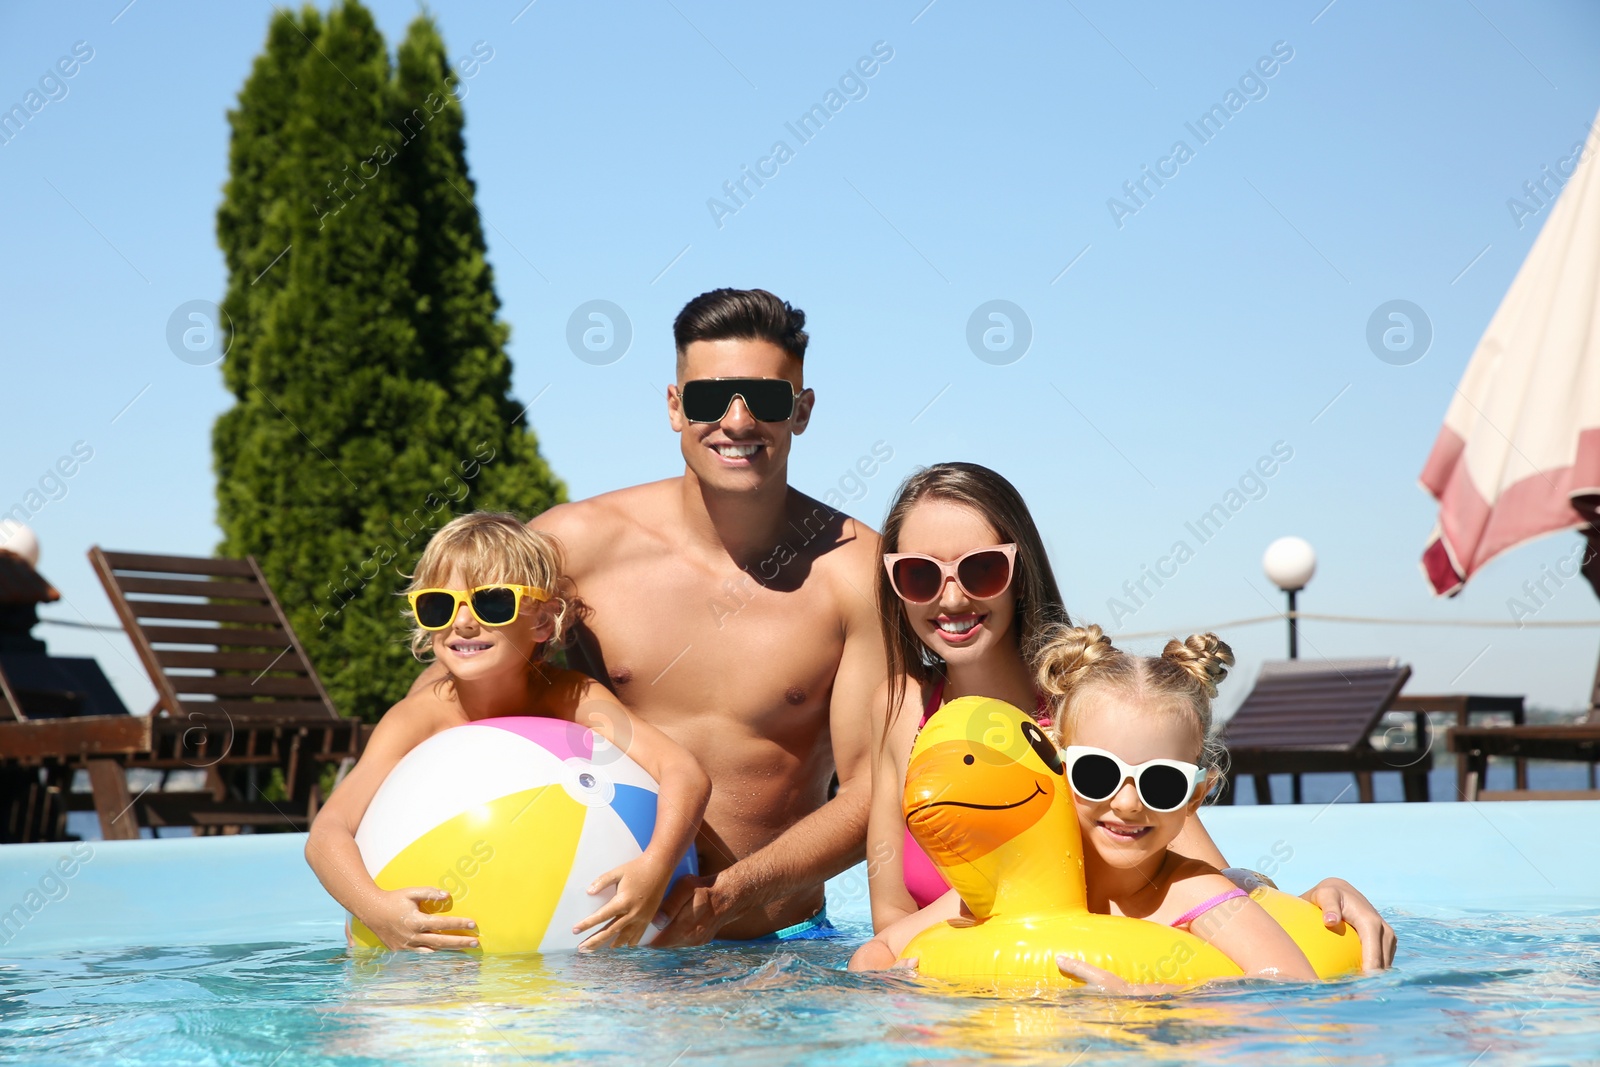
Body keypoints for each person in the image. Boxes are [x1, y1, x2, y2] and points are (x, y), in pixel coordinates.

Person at [412, 289, 883, 943]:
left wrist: (727, 895)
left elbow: (876, 790)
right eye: (708, 398)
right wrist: (387, 875)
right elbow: (446, 694)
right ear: (673, 406)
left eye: (768, 399)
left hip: (781, 950)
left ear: (801, 411)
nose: (738, 420)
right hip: (600, 946)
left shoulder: (855, 572)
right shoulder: (574, 549)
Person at [858, 463, 1398, 969]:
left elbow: (1196, 878)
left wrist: (1308, 903)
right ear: (894, 585)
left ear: (1020, 572)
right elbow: (893, 920)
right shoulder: (903, 713)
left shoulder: (1093, 710)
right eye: (919, 575)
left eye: (981, 568)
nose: (951, 598)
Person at [308, 513, 710, 951]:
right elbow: (328, 831)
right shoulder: (416, 720)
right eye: (439, 605)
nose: (462, 623)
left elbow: (683, 772)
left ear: (542, 622)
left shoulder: (571, 698)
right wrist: (376, 909)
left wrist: (654, 867)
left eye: (492, 603)